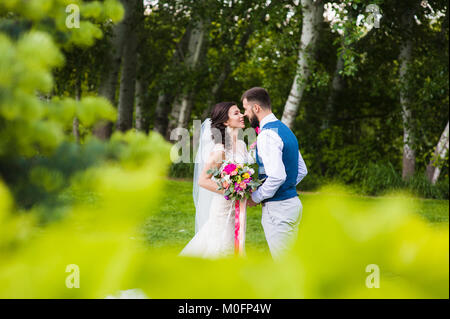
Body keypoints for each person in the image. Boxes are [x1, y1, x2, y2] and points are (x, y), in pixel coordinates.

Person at [242, 87, 308, 260]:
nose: (245, 114)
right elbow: (301, 170)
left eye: (246, 109)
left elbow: (277, 176)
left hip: (278, 209)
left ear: (256, 108)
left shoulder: (267, 135)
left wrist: (255, 197)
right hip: (293, 205)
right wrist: (287, 188)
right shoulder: (285, 130)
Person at [179, 102, 251, 259]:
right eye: (236, 113)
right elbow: (203, 181)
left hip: (238, 208)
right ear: (226, 121)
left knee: (235, 246)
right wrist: (232, 191)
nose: (242, 115)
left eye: (241, 112)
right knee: (220, 248)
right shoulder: (220, 150)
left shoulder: (241, 145)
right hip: (223, 208)